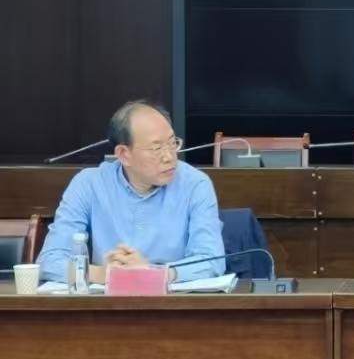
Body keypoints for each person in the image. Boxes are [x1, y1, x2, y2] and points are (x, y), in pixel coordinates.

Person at [36, 100, 226, 284]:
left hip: (169, 301)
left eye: (172, 143)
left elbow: (212, 261)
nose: (170, 156)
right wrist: (104, 274)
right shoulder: (89, 184)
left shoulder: (195, 184)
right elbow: (49, 260)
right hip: (107, 301)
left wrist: (153, 273)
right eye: (156, 148)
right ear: (124, 154)